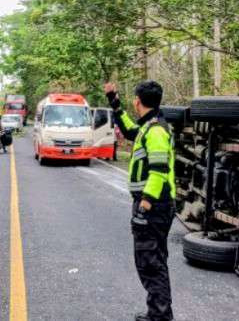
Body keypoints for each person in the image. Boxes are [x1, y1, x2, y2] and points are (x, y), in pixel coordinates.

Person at [105, 80, 176, 321]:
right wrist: (114, 102)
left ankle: (160, 316)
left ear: (138, 101)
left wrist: (144, 206)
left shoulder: (156, 131)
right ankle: (157, 312)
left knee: (150, 262)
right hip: (154, 205)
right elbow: (127, 129)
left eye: (133, 99)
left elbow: (158, 171)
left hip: (153, 205)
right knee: (153, 260)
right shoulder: (147, 127)